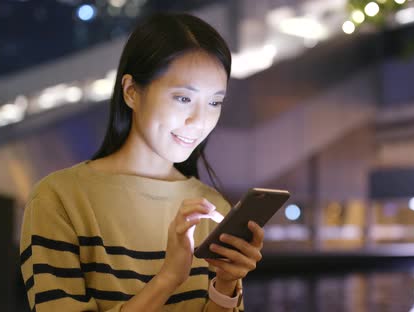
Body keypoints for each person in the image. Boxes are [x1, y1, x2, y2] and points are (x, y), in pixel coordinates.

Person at [19, 13, 264, 312]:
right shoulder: (59, 199)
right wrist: (168, 279)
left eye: (214, 102)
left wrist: (225, 285)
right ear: (132, 91)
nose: (199, 121)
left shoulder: (212, 209)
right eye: (183, 98)